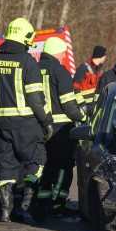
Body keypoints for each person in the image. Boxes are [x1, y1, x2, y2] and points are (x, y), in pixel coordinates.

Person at [0, 18, 53, 221]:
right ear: (26, 38)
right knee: (36, 163)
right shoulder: (28, 62)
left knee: (7, 168)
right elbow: (35, 98)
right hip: (27, 125)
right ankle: (28, 206)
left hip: (1, 126)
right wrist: (46, 121)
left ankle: (5, 211)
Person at [35, 37, 88, 221]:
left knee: (46, 166)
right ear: (57, 51)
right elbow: (69, 105)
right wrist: (84, 117)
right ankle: (58, 202)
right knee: (64, 166)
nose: (64, 56)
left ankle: (42, 203)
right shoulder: (60, 71)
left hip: (38, 128)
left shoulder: (33, 69)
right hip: (61, 130)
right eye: (63, 52)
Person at [73, 45, 107, 113]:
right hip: (84, 108)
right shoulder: (83, 69)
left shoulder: (98, 71)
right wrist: (82, 105)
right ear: (102, 56)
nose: (105, 58)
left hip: (95, 107)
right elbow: (75, 88)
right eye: (105, 56)